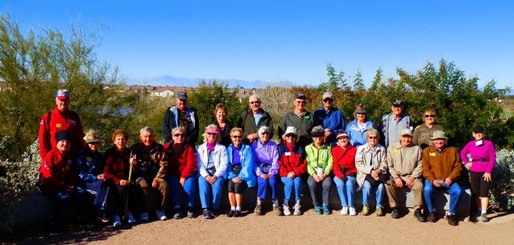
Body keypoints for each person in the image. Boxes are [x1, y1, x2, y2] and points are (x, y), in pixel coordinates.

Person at [385, 128, 426, 222]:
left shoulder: (417, 149)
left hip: (412, 176)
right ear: (400, 137)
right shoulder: (392, 148)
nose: (406, 139)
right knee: (388, 185)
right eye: (404, 137)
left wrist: (412, 177)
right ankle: (395, 208)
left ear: (412, 138)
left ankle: (418, 210)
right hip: (397, 176)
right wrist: (396, 177)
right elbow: (389, 165)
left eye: (409, 137)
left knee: (419, 186)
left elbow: (420, 165)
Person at [422, 130, 463, 226]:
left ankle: (451, 213)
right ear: (433, 141)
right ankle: (432, 211)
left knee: (458, 191)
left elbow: (458, 167)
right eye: (436, 139)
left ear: (445, 140)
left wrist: (451, 178)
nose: (439, 141)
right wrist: (433, 180)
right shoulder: (427, 151)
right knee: (427, 189)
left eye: (441, 139)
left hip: (448, 180)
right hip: (433, 179)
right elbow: (425, 169)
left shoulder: (452, 151)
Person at [37, 130, 77, 224]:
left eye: (67, 142)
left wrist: (70, 185)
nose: (65, 144)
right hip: (48, 185)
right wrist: (63, 186)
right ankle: (51, 221)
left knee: (81, 193)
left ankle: (80, 220)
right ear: (57, 143)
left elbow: (72, 174)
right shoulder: (51, 155)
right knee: (64, 198)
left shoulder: (69, 158)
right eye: (62, 141)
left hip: (62, 186)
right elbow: (48, 176)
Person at [130, 126, 169, 222]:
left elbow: (164, 165)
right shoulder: (134, 149)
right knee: (144, 185)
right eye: (145, 136)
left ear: (154, 137)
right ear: (141, 138)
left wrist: (157, 178)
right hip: (140, 175)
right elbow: (131, 170)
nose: (148, 139)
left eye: (150, 136)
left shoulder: (160, 148)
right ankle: (144, 211)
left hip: (155, 174)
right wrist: (134, 164)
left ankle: (160, 210)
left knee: (164, 185)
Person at [460, 126, 496, 222]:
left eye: (480, 132)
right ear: (473, 134)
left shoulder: (489, 144)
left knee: (484, 192)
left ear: (483, 133)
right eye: (476, 133)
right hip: (474, 170)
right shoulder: (471, 144)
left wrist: (488, 171)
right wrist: (467, 162)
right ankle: (479, 210)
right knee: (476, 192)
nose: (478, 134)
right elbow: (462, 153)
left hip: (485, 171)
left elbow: (492, 158)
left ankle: (484, 212)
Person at [103, 129, 137, 227]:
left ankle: (129, 212)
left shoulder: (129, 152)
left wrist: (134, 164)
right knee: (121, 190)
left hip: (127, 178)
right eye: (118, 139)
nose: (121, 141)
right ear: (114, 140)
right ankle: (116, 215)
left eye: (123, 139)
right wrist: (118, 181)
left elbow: (134, 171)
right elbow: (106, 172)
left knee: (135, 188)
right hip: (114, 180)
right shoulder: (110, 153)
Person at [39, 89, 84, 159]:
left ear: (69, 102)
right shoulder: (48, 117)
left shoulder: (74, 116)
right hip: (54, 159)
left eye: (65, 100)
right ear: (56, 101)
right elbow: (43, 139)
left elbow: (80, 137)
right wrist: (46, 158)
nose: (63, 102)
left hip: (72, 159)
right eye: (61, 100)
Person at [75, 130, 109, 223]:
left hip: (95, 182)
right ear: (87, 143)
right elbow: (80, 173)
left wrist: (102, 175)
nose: (94, 145)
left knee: (105, 184)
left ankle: (100, 213)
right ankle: (99, 212)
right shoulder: (81, 154)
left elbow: (103, 169)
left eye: (96, 142)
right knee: (100, 186)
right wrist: (95, 177)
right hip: (83, 182)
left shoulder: (99, 156)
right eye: (91, 143)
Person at [164, 127, 198, 219]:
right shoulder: (167, 148)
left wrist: (183, 176)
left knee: (190, 183)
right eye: (177, 135)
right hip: (172, 173)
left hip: (186, 172)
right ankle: (176, 208)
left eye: (182, 135)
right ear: (172, 136)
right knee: (173, 184)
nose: (180, 137)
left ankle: (190, 207)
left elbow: (191, 164)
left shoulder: (189, 148)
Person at [197, 124, 228, 219]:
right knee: (202, 183)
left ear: (217, 135)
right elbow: (199, 165)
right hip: (205, 173)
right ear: (206, 135)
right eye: (209, 133)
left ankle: (214, 208)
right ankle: (205, 209)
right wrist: (206, 176)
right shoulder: (200, 148)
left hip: (217, 173)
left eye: (214, 134)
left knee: (218, 184)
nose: (211, 136)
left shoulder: (222, 148)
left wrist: (215, 176)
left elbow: (224, 164)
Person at [355, 129, 388, 216]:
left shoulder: (382, 149)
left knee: (381, 187)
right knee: (367, 186)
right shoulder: (361, 149)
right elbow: (359, 164)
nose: (373, 139)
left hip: (378, 174)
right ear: (367, 138)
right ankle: (365, 205)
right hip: (365, 174)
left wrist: (379, 170)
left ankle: (379, 206)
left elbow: (385, 162)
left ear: (378, 138)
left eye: (375, 137)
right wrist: (370, 171)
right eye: (370, 137)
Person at [226, 127, 257, 217]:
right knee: (230, 184)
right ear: (231, 138)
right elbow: (227, 165)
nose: (237, 139)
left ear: (242, 137)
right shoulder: (228, 149)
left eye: (239, 136)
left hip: (244, 174)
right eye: (235, 136)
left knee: (237, 185)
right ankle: (232, 208)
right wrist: (232, 176)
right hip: (233, 172)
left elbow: (248, 166)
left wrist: (239, 177)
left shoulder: (247, 149)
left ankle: (238, 208)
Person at [252, 126, 281, 216]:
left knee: (273, 182)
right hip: (260, 169)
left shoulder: (273, 145)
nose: (265, 135)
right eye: (263, 133)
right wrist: (260, 173)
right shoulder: (254, 146)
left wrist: (271, 172)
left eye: (267, 133)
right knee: (262, 182)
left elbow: (275, 160)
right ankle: (259, 204)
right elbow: (253, 162)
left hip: (271, 169)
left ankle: (275, 204)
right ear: (259, 135)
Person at [278, 126, 307, 216]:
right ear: (285, 137)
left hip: (296, 173)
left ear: (296, 138)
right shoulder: (280, 148)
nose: (290, 138)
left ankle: (297, 205)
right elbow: (279, 164)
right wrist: (287, 173)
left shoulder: (300, 148)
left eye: (293, 136)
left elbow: (304, 164)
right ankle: (285, 204)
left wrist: (295, 172)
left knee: (297, 182)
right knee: (289, 183)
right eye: (288, 136)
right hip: (285, 174)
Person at [305, 126, 333, 215]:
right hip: (313, 173)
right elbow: (308, 163)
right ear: (312, 137)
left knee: (327, 184)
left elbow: (330, 162)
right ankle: (316, 204)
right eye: (315, 136)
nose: (318, 138)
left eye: (320, 136)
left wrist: (324, 175)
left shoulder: (328, 148)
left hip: (325, 173)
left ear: (323, 136)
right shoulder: (308, 148)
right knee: (311, 184)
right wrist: (314, 175)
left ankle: (325, 204)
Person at [332, 131, 358, 216]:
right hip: (339, 173)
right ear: (338, 141)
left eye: (344, 138)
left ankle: (351, 206)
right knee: (340, 184)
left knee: (349, 184)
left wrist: (353, 172)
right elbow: (335, 165)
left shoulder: (354, 150)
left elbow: (357, 164)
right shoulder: (335, 150)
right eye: (340, 139)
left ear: (348, 139)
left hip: (350, 173)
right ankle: (344, 205)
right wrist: (340, 175)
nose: (342, 140)